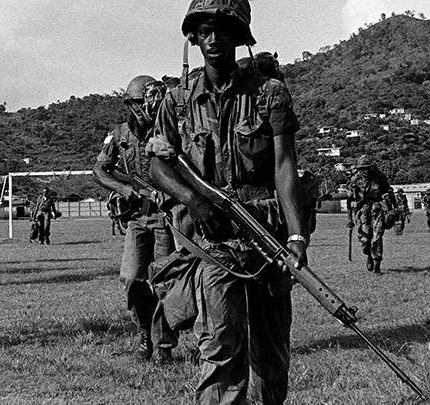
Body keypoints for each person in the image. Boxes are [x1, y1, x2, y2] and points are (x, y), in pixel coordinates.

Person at [148, 0, 307, 401]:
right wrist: (193, 201)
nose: (213, 38)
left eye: (222, 29)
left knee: (270, 355)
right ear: (194, 38)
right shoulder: (178, 100)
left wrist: (297, 238)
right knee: (219, 348)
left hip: (265, 234)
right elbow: (158, 165)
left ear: (239, 36)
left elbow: (284, 166)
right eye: (204, 31)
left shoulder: (270, 94)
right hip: (215, 243)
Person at [93, 75, 178, 363]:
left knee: (165, 282)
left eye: (155, 100)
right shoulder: (118, 135)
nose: (150, 106)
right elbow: (100, 171)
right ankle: (145, 333)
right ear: (131, 104)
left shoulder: (168, 130)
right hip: (137, 217)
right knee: (132, 278)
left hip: (167, 216)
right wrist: (125, 190)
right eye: (144, 101)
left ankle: (163, 346)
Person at [347, 155, 390, 273]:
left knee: (377, 236)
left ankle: (377, 265)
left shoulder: (379, 177)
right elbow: (349, 199)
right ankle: (369, 255)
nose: (364, 171)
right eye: (361, 168)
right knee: (365, 239)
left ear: (371, 167)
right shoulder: (355, 179)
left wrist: (389, 206)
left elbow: (388, 191)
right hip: (362, 210)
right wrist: (349, 219)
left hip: (377, 208)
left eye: (366, 168)